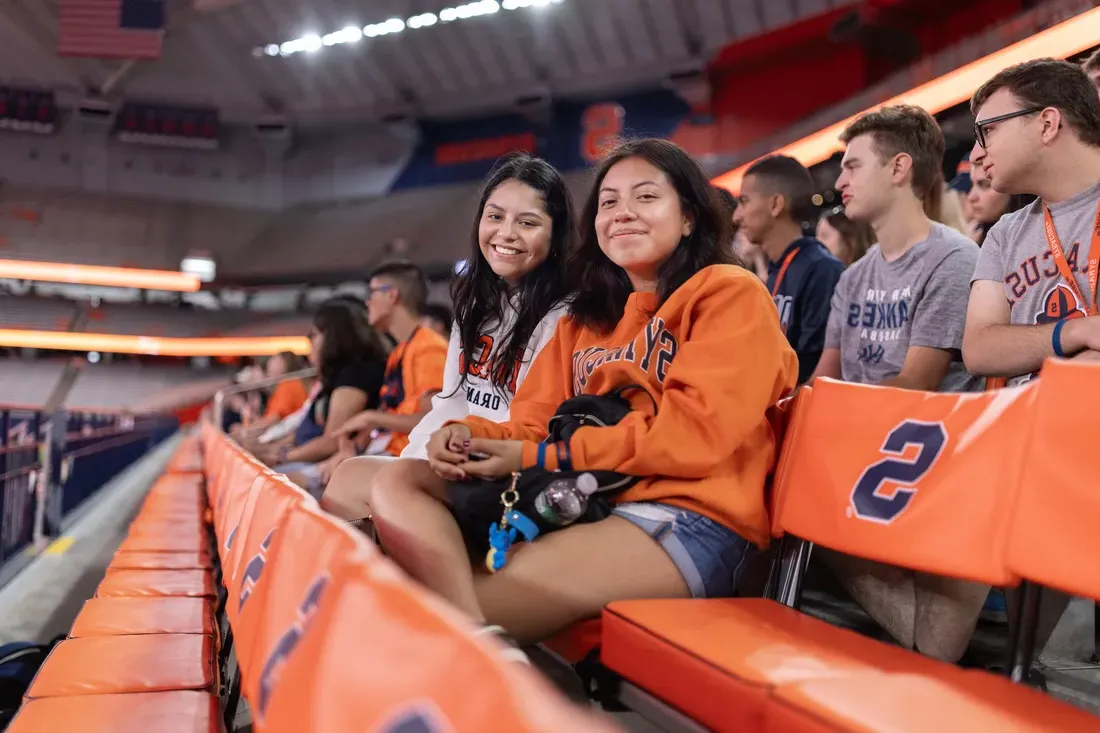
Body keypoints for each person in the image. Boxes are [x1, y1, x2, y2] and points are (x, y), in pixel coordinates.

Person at [367, 138, 798, 655]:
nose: (623, 214)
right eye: (609, 202)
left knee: (432, 612)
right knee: (399, 478)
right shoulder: (584, 322)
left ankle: (482, 647)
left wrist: (539, 455)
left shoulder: (728, 292)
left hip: (689, 516)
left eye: (645, 197)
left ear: (688, 218)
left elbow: (693, 438)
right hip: (590, 498)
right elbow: (532, 423)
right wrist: (464, 435)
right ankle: (485, 646)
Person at [811, 104, 984, 663]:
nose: (839, 181)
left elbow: (918, 385)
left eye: (853, 166)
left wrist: (824, 414)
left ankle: (930, 650)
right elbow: (823, 379)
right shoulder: (854, 275)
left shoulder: (955, 259)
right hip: (861, 454)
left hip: (929, 459)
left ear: (899, 168)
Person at [321, 152, 574, 525]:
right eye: (495, 216)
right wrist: (413, 460)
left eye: (528, 222)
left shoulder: (565, 314)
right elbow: (451, 404)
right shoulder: (475, 307)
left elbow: (534, 424)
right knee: (348, 477)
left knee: (377, 484)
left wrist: (422, 464)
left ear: (555, 237)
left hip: (508, 465)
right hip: (454, 452)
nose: (506, 233)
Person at [963, 58, 1100, 664]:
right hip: (1026, 460)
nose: (977, 152)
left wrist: (1037, 342)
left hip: (1079, 462)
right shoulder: (1007, 233)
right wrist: (1076, 333)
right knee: (1039, 666)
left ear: (1047, 123)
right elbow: (980, 346)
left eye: (989, 128)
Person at [321, 261, 448, 476]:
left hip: (411, 461)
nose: (367, 302)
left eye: (372, 292)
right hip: (389, 454)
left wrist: (371, 418)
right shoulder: (399, 353)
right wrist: (354, 446)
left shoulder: (429, 348)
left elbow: (434, 420)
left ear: (392, 296)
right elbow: (391, 415)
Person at [255, 299, 388, 498]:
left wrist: (280, 456)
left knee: (264, 486)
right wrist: (271, 449)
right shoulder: (337, 377)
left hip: (337, 464)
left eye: (315, 335)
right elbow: (303, 429)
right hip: (320, 460)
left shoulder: (357, 375)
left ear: (332, 337)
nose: (311, 343)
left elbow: (332, 441)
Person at [734, 155, 844, 382]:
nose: (737, 215)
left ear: (776, 204)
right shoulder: (779, 267)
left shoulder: (821, 270)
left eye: (744, 201)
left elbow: (813, 372)